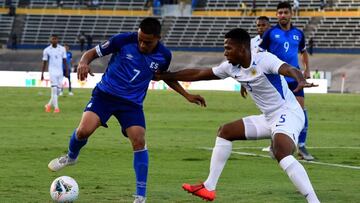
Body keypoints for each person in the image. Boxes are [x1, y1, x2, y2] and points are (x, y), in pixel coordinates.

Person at [47, 18, 206, 203]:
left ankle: (140, 197)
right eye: (140, 39)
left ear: (158, 38)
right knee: (83, 131)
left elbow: (164, 76)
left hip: (132, 104)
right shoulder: (122, 40)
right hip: (105, 96)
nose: (142, 44)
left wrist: (186, 95)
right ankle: (71, 157)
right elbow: (91, 53)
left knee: (139, 141)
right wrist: (83, 62)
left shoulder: (164, 55)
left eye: (147, 42)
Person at [155, 28, 320, 203]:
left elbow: (288, 69)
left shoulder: (263, 60)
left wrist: (300, 78)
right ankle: (209, 187)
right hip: (269, 118)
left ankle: (314, 201)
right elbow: (200, 73)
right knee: (225, 132)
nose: (225, 53)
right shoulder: (230, 67)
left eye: (228, 48)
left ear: (242, 48)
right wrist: (168, 75)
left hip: (289, 112)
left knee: (281, 151)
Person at [259, 1, 314, 161]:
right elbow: (260, 54)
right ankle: (275, 144)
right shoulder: (270, 33)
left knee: (301, 112)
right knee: (276, 112)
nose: (283, 15)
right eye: (280, 13)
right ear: (277, 15)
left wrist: (307, 69)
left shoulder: (298, 33)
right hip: (276, 79)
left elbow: (303, 52)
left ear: (291, 14)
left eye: (285, 12)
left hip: (294, 78)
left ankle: (302, 146)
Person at [41, 34, 68, 113]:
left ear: (57, 40)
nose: (54, 40)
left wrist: (66, 70)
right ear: (50, 40)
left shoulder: (62, 49)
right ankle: (56, 108)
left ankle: (48, 105)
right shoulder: (47, 50)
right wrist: (42, 74)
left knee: (58, 92)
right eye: (52, 39)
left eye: (55, 39)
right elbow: (44, 62)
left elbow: (64, 61)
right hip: (52, 72)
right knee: (54, 90)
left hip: (60, 72)